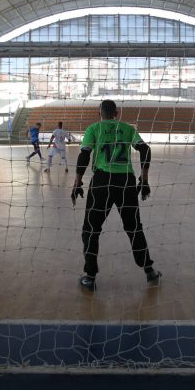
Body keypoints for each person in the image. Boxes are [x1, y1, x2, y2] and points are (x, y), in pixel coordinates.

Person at [71, 99, 161, 291]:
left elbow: (84, 154)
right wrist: (144, 180)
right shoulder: (127, 129)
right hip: (126, 183)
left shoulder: (93, 129)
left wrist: (77, 180)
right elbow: (145, 149)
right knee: (134, 227)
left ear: (99, 113)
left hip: (102, 182)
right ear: (116, 113)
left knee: (91, 229)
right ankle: (149, 270)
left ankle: (90, 277)